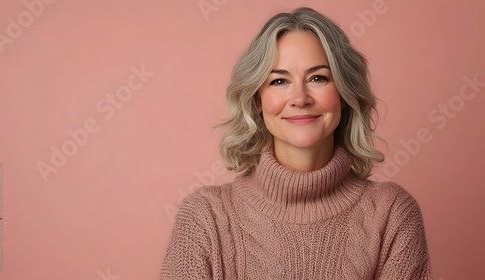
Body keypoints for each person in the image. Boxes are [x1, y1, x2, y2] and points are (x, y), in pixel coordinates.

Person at [160, 6, 431, 279]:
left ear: (344, 93)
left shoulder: (391, 214)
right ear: (257, 100)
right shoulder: (205, 218)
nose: (300, 98)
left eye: (318, 78)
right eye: (279, 81)